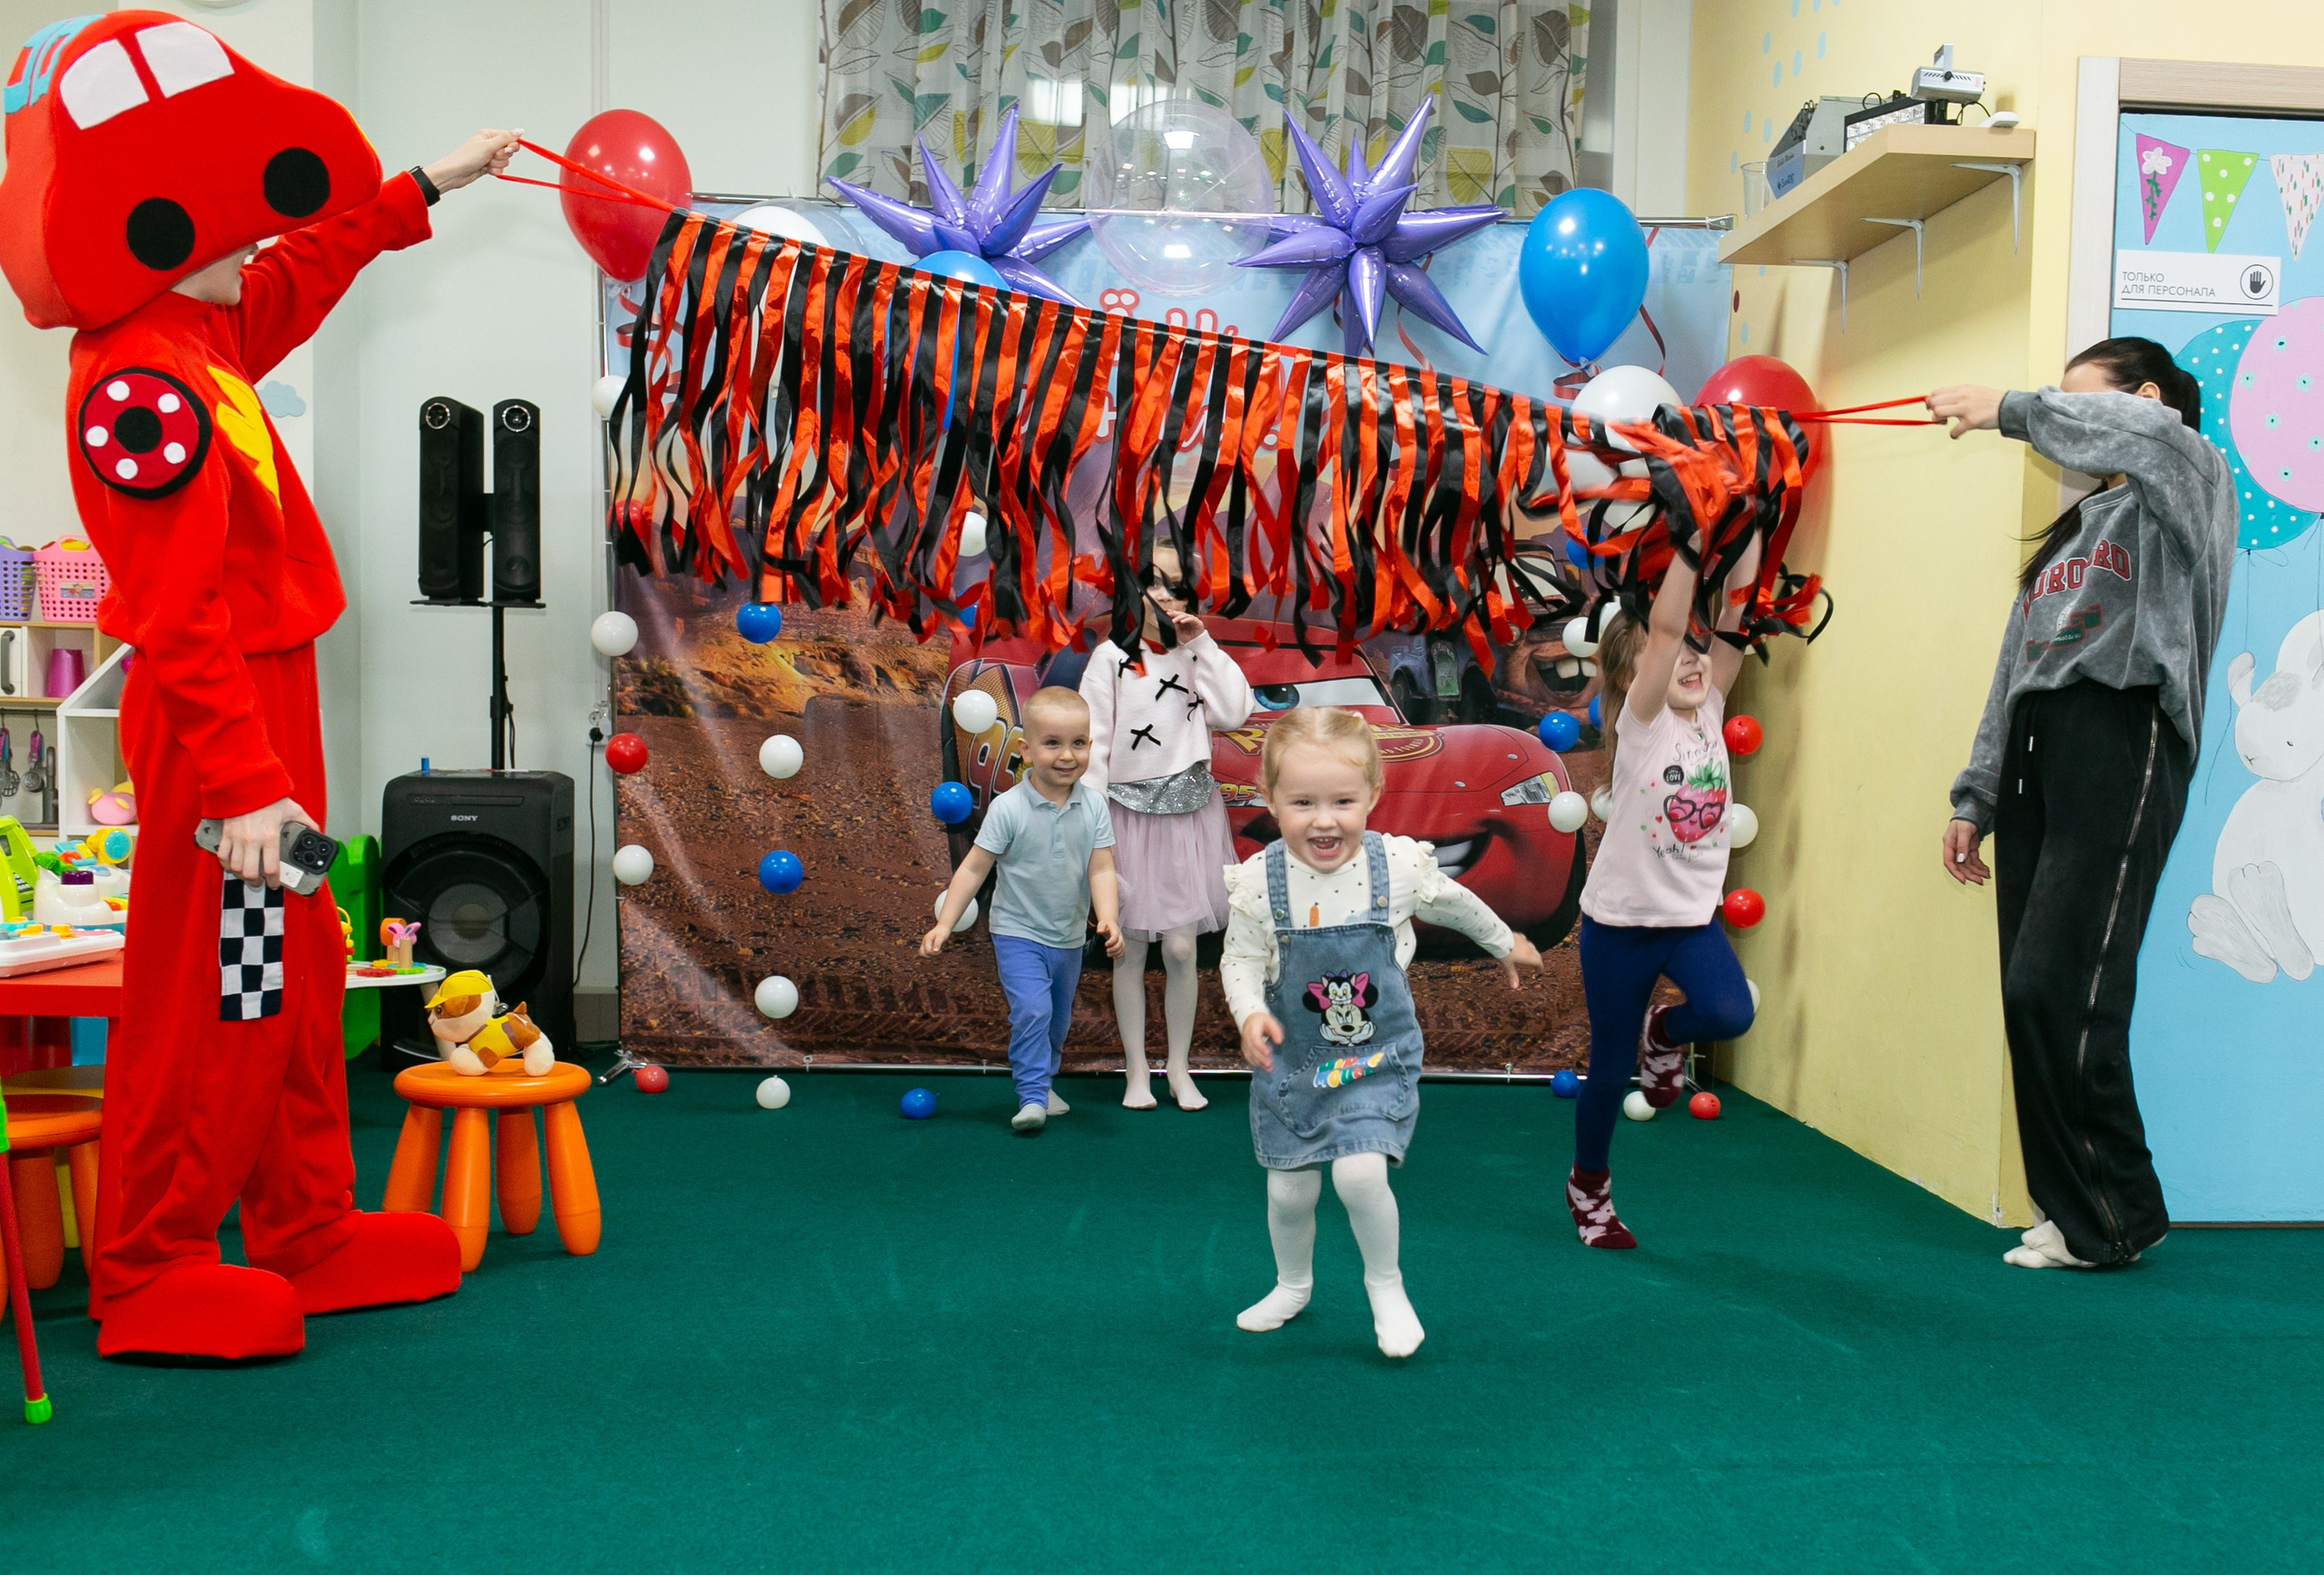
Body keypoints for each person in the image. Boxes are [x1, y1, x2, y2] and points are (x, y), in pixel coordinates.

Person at [0, 10, 519, 1361]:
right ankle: (154, 1260)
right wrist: (241, 787)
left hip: (267, 698)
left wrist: (420, 191)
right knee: (216, 990)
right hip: (218, 716)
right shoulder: (139, 390)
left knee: (302, 965)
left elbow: (297, 269)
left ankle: (306, 1222)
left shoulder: (199, 336)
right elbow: (173, 616)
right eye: (224, 226)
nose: (254, 247)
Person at [1930, 340, 2234, 1271]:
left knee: (2064, 985)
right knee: (2029, 992)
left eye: (2078, 402)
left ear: (2143, 400)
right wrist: (1975, 793)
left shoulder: (2185, 475)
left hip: (2120, 732)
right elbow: (2013, 671)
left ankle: (2115, 1215)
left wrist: (2008, 405)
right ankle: (2072, 1206)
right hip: (2037, 753)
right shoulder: (2072, 530)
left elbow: (2147, 432)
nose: (2061, 422)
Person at [1223, 707, 1541, 1357]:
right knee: (1289, 1187)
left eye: (1343, 800)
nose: (1324, 819)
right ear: (1270, 799)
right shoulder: (1260, 880)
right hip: (1294, 1063)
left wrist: (1503, 940)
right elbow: (1241, 960)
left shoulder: (1393, 864)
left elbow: (1453, 901)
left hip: (1375, 1056)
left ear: (1372, 794)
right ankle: (1293, 1283)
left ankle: (1386, 1285)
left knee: (1360, 1175)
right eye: (1303, 801)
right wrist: (1250, 1012)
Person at [1565, 543, 1760, 1250]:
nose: (1691, 659)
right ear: (1634, 672)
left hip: (1686, 920)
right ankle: (1589, 1186)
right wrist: (1685, 532)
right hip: (1618, 925)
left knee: (1728, 1010)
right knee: (1609, 1068)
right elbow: (1671, 629)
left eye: (1696, 652)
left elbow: (1735, 616)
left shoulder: (1710, 705)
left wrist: (1755, 512)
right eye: (1671, 653)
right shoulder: (1640, 726)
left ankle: (1665, 1032)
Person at [1078, 540, 1253, 1111]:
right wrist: (1092, 821)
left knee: (1181, 950)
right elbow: (1094, 744)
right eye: (1152, 580)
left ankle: (1178, 1068)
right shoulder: (1109, 657)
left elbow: (1234, 712)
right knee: (1124, 948)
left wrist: (1201, 643)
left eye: (1175, 584)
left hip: (1188, 817)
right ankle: (1135, 1071)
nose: (1163, 594)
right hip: (1125, 818)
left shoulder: (1195, 653)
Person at [925, 687, 1126, 1132]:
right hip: (1017, 933)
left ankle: (1044, 1080)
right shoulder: (1008, 808)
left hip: (1070, 936)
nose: (1067, 755)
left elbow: (1101, 868)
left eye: (1078, 743)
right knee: (1032, 1011)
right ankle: (1031, 1096)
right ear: (1026, 750)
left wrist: (1107, 916)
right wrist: (945, 922)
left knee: (1057, 1019)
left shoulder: (1093, 806)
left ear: (1091, 746)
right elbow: (975, 869)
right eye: (1052, 743)